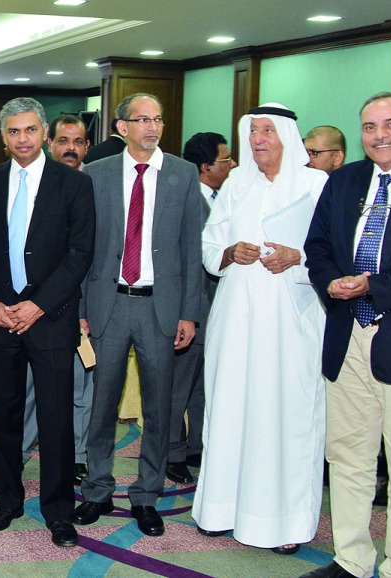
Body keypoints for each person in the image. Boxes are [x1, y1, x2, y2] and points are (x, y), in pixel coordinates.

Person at [302, 92, 391, 578]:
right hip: (348, 337)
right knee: (348, 457)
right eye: (369, 127)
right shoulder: (344, 181)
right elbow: (318, 245)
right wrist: (329, 281)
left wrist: (375, 286)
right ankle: (352, 558)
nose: (379, 135)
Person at [192, 104, 328, 554]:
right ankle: (220, 509)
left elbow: (333, 254)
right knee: (231, 406)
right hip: (236, 317)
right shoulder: (235, 184)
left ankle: (281, 523)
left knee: (282, 413)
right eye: (252, 132)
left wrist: (300, 258)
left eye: (268, 131)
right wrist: (230, 252)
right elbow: (210, 246)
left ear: (287, 135)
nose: (258, 139)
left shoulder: (315, 185)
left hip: (291, 317)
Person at [73, 93, 203, 537]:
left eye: (158, 119)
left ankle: (148, 495)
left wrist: (190, 313)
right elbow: (85, 248)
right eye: (142, 119)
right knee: (102, 405)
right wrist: (82, 309)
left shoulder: (183, 175)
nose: (152, 127)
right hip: (108, 303)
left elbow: (191, 248)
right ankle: (97, 489)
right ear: (122, 126)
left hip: (160, 307)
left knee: (159, 407)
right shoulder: (98, 174)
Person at [0, 97, 94, 547]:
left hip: (51, 317)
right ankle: (7, 501)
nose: (22, 139)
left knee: (56, 417)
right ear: (3, 138)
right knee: (3, 414)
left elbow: (80, 254)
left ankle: (58, 510)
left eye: (30, 130)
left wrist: (38, 305)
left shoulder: (73, 184)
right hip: (0, 317)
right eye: (13, 131)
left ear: (44, 133)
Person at [167, 131, 235, 483]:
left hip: (216, 310)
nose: (233, 165)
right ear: (206, 167)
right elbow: (187, 261)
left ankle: (196, 445)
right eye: (226, 160)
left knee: (201, 386)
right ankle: (173, 452)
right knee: (178, 387)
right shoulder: (189, 198)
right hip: (191, 309)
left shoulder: (224, 197)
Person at [49, 113, 94, 482]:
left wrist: (85, 307)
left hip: (81, 307)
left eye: (77, 142)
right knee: (32, 391)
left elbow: (90, 254)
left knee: (81, 387)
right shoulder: (36, 184)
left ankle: (77, 455)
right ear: (51, 144)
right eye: (63, 141)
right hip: (38, 307)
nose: (70, 148)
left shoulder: (95, 184)